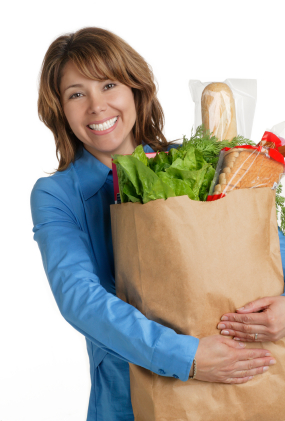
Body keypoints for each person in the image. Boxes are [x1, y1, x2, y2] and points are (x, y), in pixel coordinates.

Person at [30, 27, 285, 421]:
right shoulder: (56, 194)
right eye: (76, 93)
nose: (96, 106)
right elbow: (80, 298)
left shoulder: (199, 160)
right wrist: (188, 356)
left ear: (135, 89)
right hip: (128, 397)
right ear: (60, 110)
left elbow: (266, 246)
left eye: (109, 84)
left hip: (247, 380)